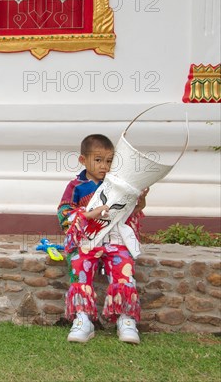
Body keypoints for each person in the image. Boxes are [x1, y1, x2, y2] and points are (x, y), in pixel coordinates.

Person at [57, 134, 147, 344]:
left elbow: (130, 213)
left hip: (115, 241)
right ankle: (83, 318)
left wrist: (140, 202)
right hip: (87, 242)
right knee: (79, 266)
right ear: (83, 160)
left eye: (108, 161)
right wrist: (88, 214)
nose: (104, 166)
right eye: (98, 160)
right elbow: (63, 213)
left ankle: (125, 319)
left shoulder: (119, 185)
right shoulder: (76, 187)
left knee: (124, 266)